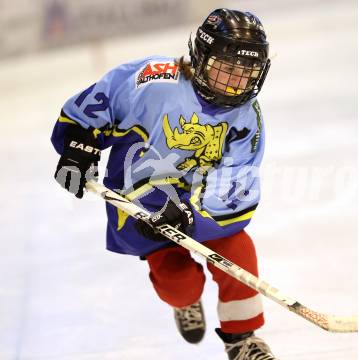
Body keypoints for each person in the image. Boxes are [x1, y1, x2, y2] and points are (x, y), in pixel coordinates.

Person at [51, 8, 277, 360]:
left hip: (203, 211)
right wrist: (79, 143)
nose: (235, 83)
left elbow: (237, 182)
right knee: (179, 286)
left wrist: (194, 215)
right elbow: (98, 104)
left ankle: (242, 339)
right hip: (141, 205)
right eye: (226, 69)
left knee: (239, 252)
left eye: (246, 73)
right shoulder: (155, 81)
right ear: (201, 58)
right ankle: (185, 303)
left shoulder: (247, 116)